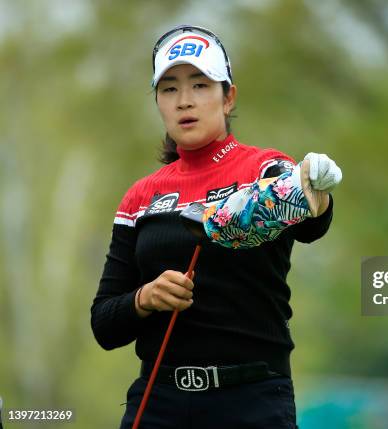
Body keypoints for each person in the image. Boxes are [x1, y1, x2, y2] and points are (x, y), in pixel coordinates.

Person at [90, 24, 342, 428]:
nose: (184, 101)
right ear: (157, 101)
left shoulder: (263, 168)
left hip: (253, 402)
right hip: (159, 403)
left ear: (228, 98)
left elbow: (309, 220)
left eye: (200, 85)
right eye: (169, 88)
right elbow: (104, 324)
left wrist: (315, 190)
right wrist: (146, 298)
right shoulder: (140, 198)